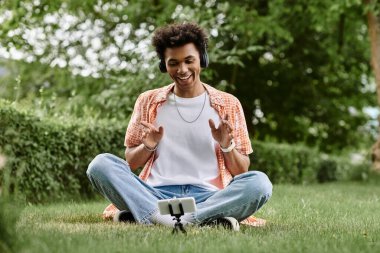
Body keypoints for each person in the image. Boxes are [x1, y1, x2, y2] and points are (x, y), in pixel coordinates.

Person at [86, 22, 272, 231]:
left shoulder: (228, 104)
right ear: (164, 65)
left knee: (260, 183)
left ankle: (157, 216)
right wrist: (148, 145)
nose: (182, 70)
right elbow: (131, 162)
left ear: (201, 60)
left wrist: (226, 145)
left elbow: (241, 170)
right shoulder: (148, 101)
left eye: (188, 61)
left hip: (209, 195)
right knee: (100, 164)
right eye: (173, 63)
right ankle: (200, 218)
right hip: (155, 192)